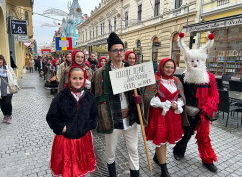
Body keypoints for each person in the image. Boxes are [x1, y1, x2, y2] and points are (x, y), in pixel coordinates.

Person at [91, 32, 144, 177]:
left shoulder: (131, 70)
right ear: (109, 53)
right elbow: (95, 96)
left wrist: (138, 99)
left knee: (133, 149)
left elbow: (139, 91)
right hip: (112, 119)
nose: (119, 53)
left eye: (121, 50)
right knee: (111, 152)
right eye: (115, 50)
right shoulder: (100, 73)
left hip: (130, 118)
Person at [173, 32, 219, 173]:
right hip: (187, 112)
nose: (195, 63)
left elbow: (214, 96)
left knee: (204, 137)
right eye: (192, 61)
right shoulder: (184, 77)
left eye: (197, 61)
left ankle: (207, 160)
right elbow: (178, 93)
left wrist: (206, 108)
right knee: (187, 133)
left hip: (203, 113)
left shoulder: (209, 78)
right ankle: (179, 150)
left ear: (202, 62)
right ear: (188, 62)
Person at [46, 66, 98, 177]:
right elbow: (51, 117)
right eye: (74, 78)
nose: (78, 81)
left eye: (80, 78)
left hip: (83, 139)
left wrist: (88, 125)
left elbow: (94, 115)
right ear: (69, 79)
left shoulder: (90, 97)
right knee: (68, 171)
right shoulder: (60, 97)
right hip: (66, 140)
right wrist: (61, 128)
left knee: (81, 169)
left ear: (85, 79)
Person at [143, 58, 189, 177]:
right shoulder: (154, 79)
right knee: (161, 141)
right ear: (162, 67)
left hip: (172, 115)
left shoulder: (176, 80)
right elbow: (148, 97)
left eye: (172, 68)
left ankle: (157, 157)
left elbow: (181, 97)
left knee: (165, 140)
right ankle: (164, 170)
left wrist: (177, 104)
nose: (169, 70)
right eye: (167, 67)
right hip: (159, 115)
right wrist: (161, 104)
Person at [0, 54, 19, 124]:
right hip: (0, 91)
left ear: (3, 60)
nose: (0, 61)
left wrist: (15, 84)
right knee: (2, 105)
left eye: (1, 60)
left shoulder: (7, 68)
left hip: (9, 89)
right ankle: (5, 115)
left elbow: (14, 76)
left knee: (8, 103)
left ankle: (9, 116)